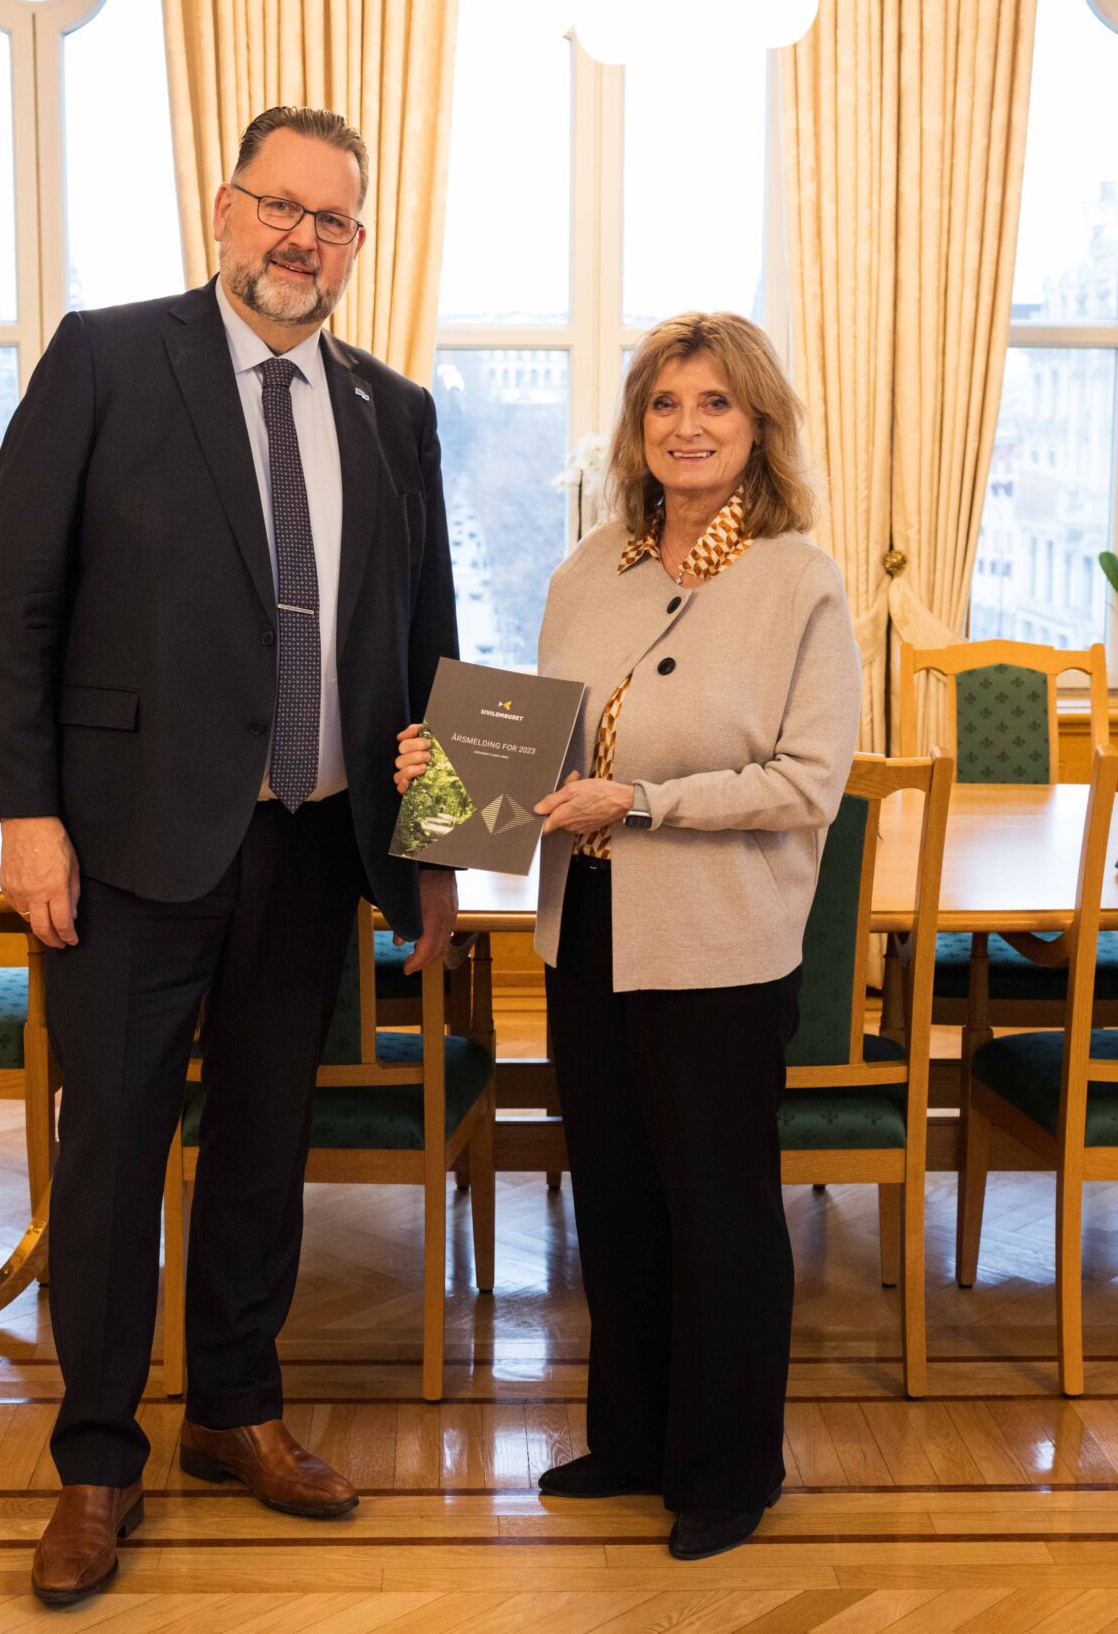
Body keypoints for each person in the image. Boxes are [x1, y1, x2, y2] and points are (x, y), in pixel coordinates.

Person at [0, 104, 460, 1609]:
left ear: (360, 245)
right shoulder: (111, 358)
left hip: (314, 848)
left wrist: (431, 850)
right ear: (225, 206)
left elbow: (423, 639)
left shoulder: (393, 410)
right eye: (279, 205)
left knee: (263, 1147)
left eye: (333, 218)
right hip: (127, 846)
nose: (302, 236)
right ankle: (97, 1458)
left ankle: (234, 1407)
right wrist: (27, 810)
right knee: (112, 1154)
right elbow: (13, 599)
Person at [395, 311, 859, 1561]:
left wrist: (646, 802)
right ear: (634, 427)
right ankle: (635, 1437)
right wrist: (443, 767)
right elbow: (547, 744)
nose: (687, 426)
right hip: (584, 925)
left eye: (715, 404)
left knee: (717, 1209)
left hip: (717, 943)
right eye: (664, 404)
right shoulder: (587, 566)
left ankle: (725, 1469)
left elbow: (809, 780)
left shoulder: (796, 577)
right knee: (616, 1196)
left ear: (758, 426)